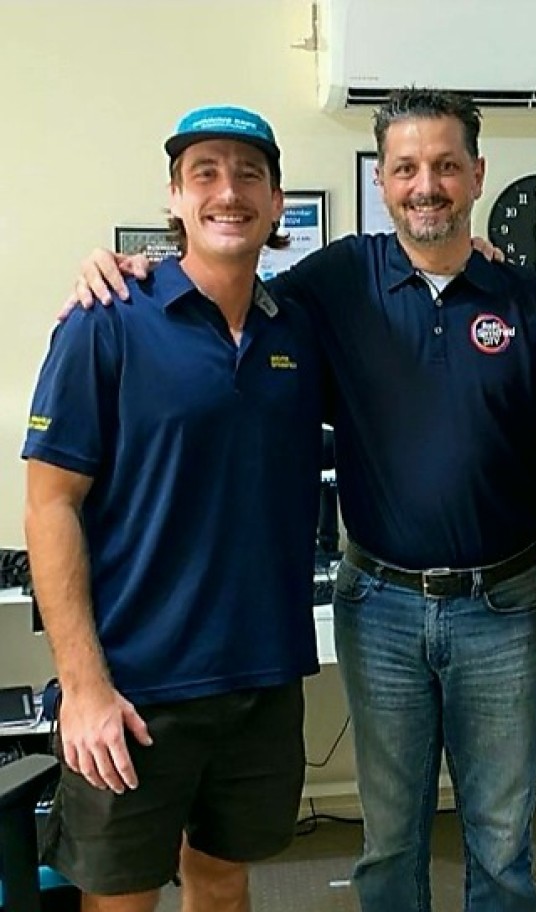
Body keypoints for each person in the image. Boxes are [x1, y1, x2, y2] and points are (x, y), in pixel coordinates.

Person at [68, 88, 536, 912]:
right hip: (380, 605)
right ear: (381, 180)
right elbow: (221, 279)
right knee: (390, 840)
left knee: (501, 839)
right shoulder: (336, 282)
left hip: (506, 606)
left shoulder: (526, 297)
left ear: (478, 174)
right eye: (406, 168)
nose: (426, 186)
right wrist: (128, 267)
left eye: (446, 166)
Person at [23, 105, 324, 912]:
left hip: (261, 677)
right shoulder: (107, 320)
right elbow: (49, 506)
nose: (228, 192)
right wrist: (83, 687)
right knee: (120, 900)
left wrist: (474, 252)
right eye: (205, 174)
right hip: (135, 688)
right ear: (175, 197)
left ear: (276, 201)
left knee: (222, 886)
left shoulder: (298, 329)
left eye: (249, 175)